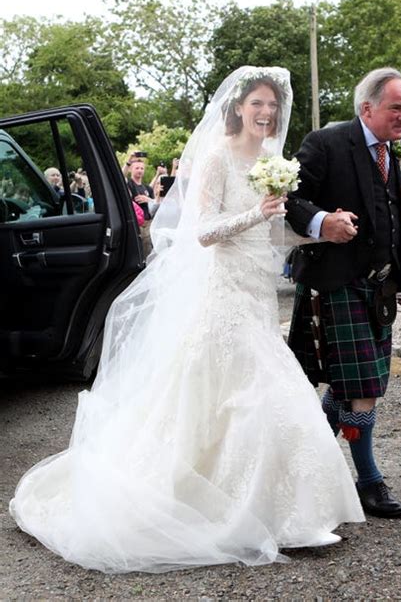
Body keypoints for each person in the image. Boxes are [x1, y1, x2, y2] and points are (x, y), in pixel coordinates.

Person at [10, 66, 364, 575]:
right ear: (239, 108)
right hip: (221, 293)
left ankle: (283, 511)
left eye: (273, 106)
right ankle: (235, 511)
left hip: (257, 292)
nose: (266, 113)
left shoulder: (272, 161)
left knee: (263, 390)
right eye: (257, 104)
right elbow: (201, 233)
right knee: (253, 390)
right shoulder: (218, 156)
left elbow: (272, 236)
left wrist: (318, 235)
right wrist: (258, 214)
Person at [286, 67, 401, 519]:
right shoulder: (326, 142)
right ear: (367, 108)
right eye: (395, 107)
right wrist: (323, 222)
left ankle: (307, 468)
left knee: (354, 387)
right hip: (335, 282)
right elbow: (290, 200)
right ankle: (368, 482)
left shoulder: (394, 156)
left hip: (379, 288)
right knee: (361, 389)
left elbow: (400, 219)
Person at [127, 160, 160, 257]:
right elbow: (120, 176)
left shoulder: (148, 188)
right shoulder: (129, 184)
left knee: (148, 251)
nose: (140, 170)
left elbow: (155, 205)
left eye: (142, 168)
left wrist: (148, 199)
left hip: (148, 223)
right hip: (136, 223)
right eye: (137, 168)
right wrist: (128, 162)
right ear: (130, 169)